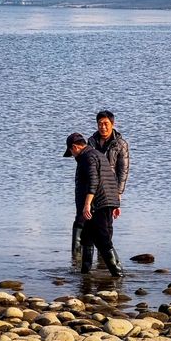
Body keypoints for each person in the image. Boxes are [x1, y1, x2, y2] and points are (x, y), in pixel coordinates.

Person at [71, 109, 130, 255]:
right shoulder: (90, 142)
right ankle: (76, 258)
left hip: (108, 189)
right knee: (82, 219)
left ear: (112, 124)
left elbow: (123, 171)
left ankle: (104, 260)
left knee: (105, 225)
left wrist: (118, 194)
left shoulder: (120, 144)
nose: (103, 127)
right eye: (100, 124)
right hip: (90, 186)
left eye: (106, 124)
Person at [63, 132, 123, 276]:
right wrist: (115, 203)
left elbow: (93, 181)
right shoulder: (97, 154)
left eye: (71, 152)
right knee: (87, 237)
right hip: (106, 201)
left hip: (97, 204)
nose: (73, 156)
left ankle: (118, 274)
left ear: (75, 147)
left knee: (102, 239)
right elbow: (111, 179)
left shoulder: (86, 157)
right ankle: (85, 273)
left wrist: (87, 204)